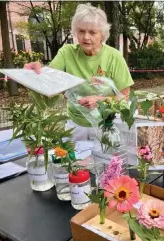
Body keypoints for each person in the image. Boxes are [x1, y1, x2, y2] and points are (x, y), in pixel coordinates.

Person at [24, 4, 134, 141]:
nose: (86, 37)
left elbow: (125, 98)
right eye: (81, 31)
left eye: (93, 32)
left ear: (102, 35)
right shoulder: (67, 52)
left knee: (104, 161)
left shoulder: (114, 57)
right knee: (73, 160)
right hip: (74, 124)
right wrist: (37, 70)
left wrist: (100, 101)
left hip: (106, 124)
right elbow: (49, 76)